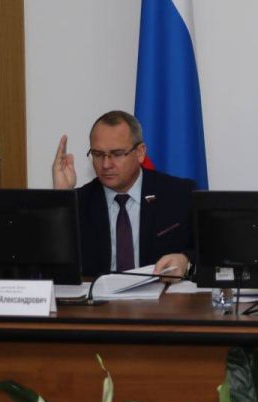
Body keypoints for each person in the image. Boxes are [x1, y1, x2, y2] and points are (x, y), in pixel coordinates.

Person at [53, 110, 195, 280]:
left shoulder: (179, 194)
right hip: (97, 297)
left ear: (140, 152)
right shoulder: (79, 202)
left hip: (160, 295)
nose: (106, 164)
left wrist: (186, 261)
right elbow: (50, 265)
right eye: (98, 154)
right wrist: (61, 198)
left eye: (117, 154)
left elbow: (209, 252)